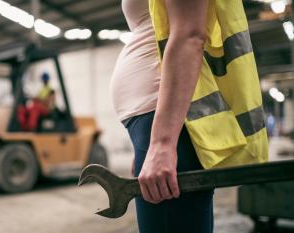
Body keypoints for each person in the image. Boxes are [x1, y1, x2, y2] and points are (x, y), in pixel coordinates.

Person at [109, 0, 268, 233]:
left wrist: (163, 142)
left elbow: (190, 35)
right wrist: (150, 141)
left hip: (174, 123)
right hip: (158, 123)